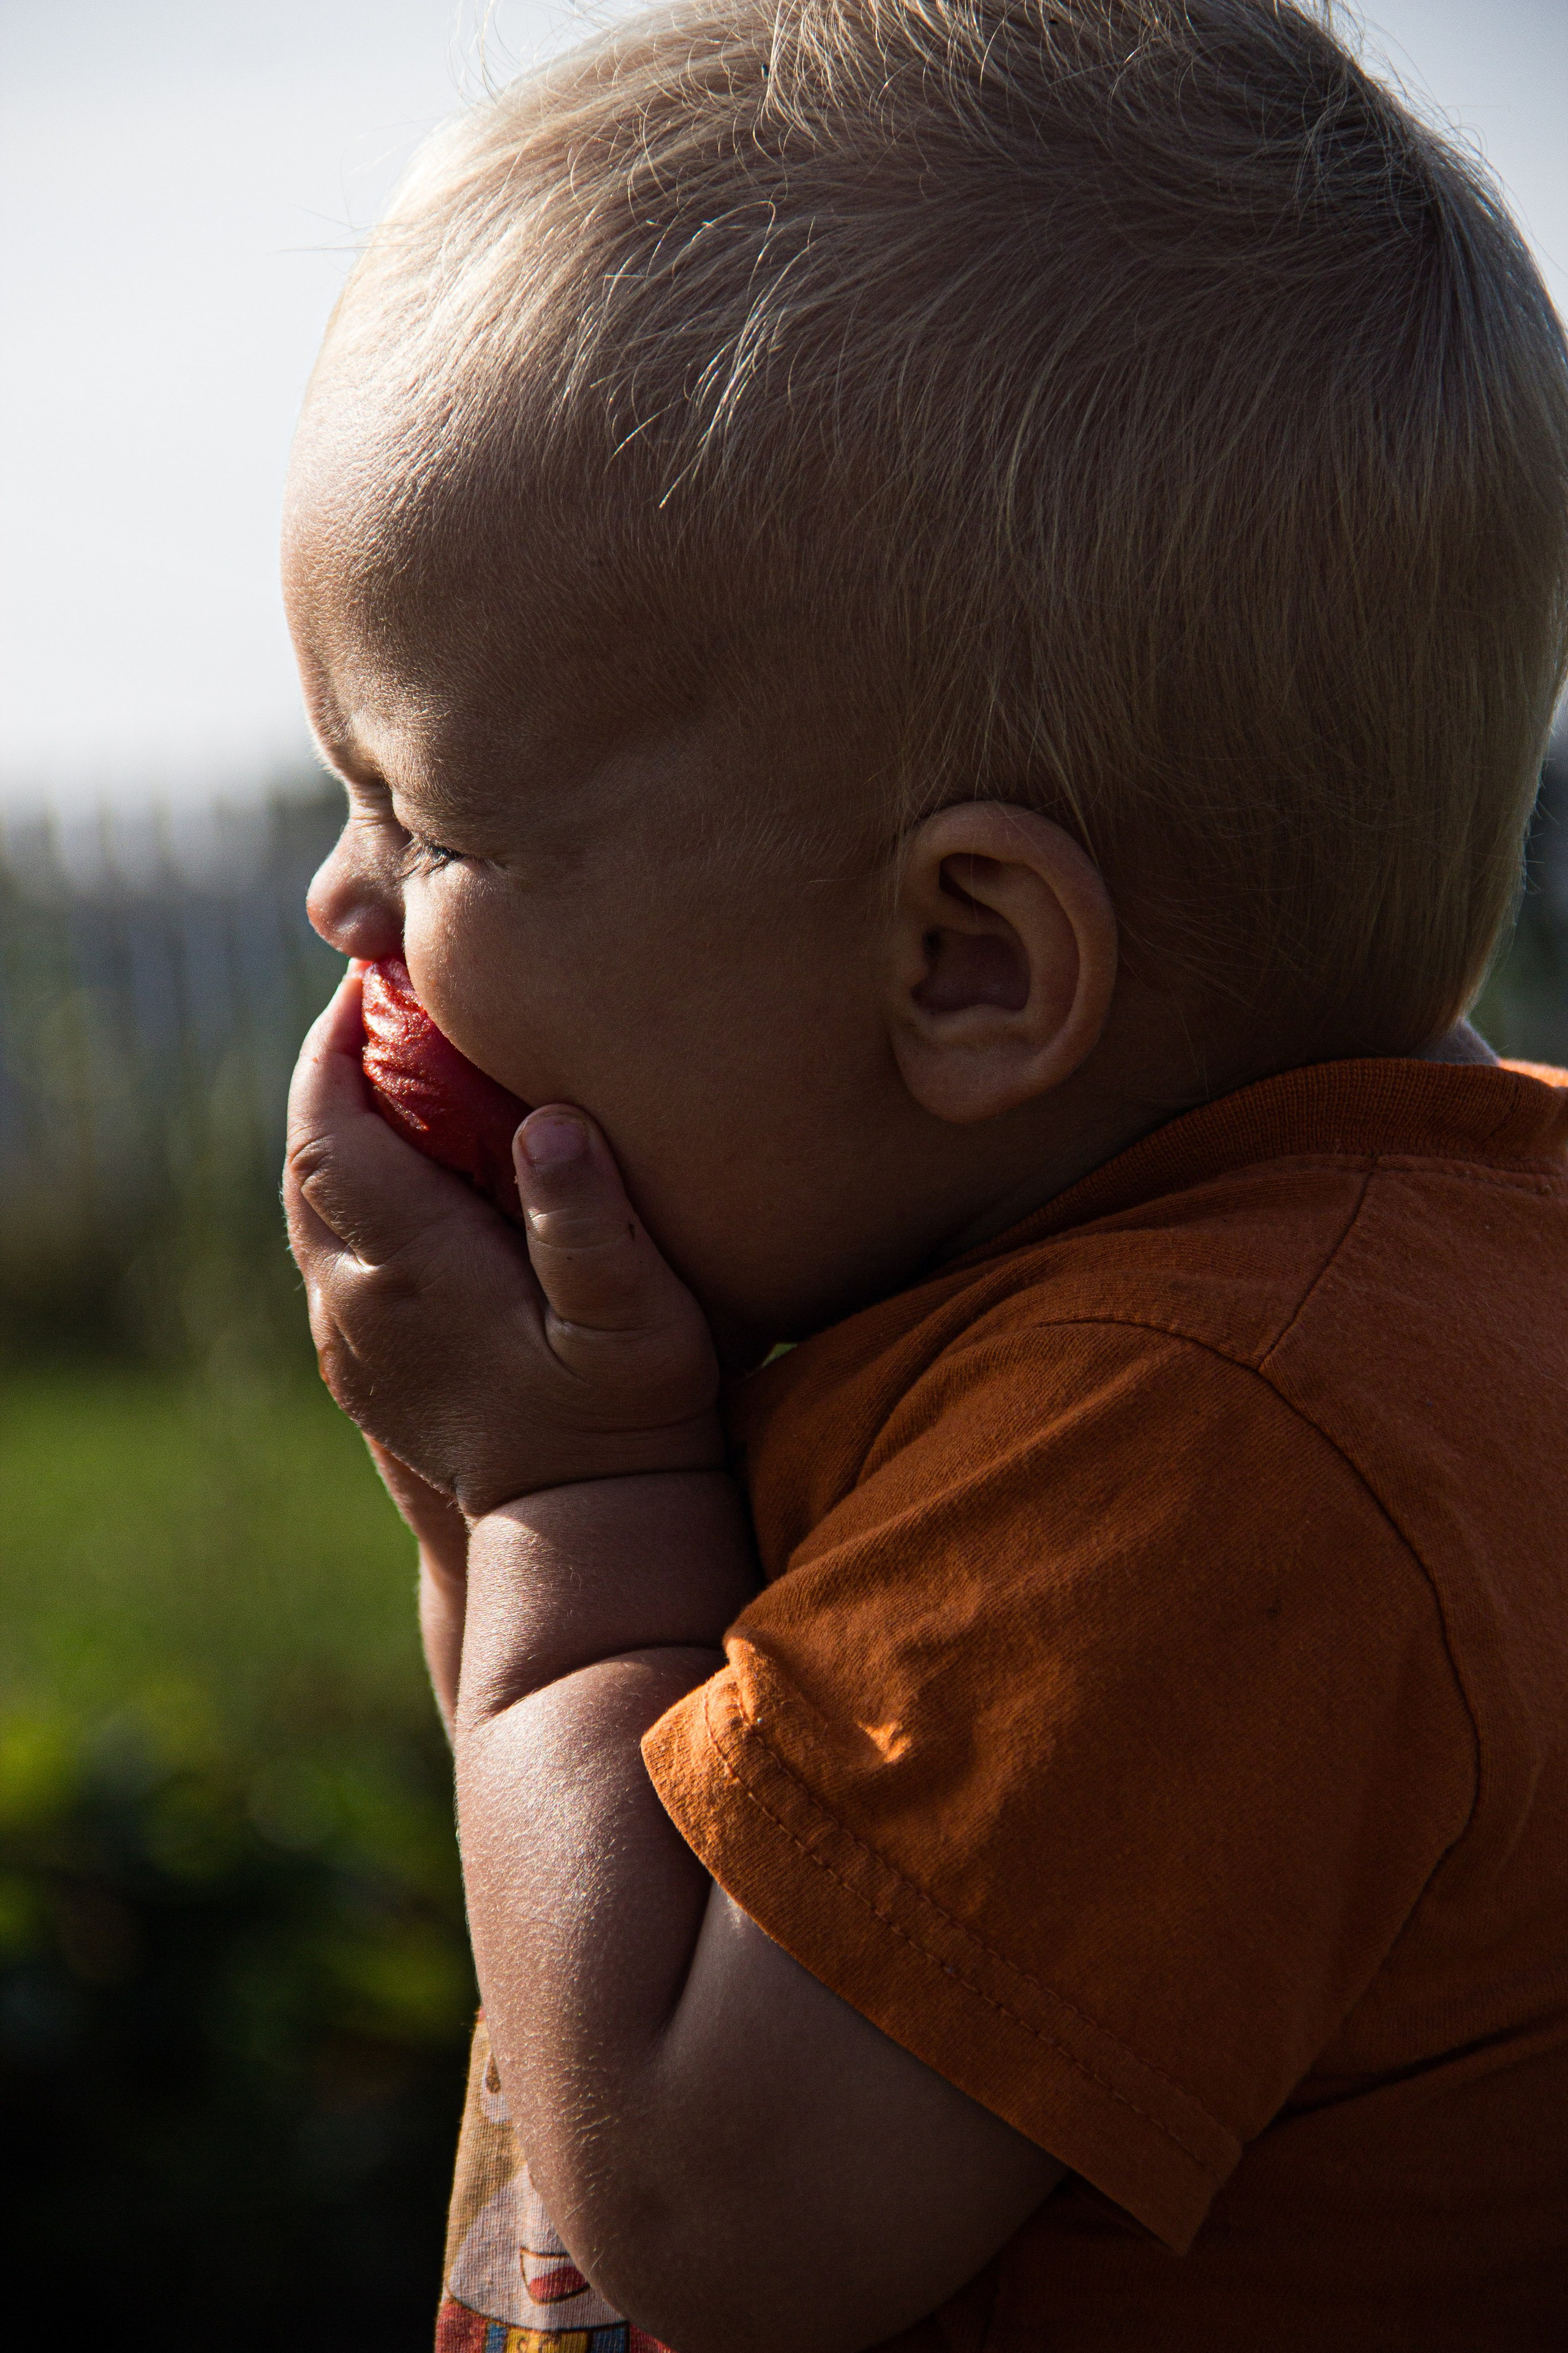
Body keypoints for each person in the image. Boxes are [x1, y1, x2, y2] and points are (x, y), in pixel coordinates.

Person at [279, 1, 1568, 2344]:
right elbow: (614, 1839)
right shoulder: (1300, 1287)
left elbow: (699, 2207)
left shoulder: (1206, 1438)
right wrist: (490, 1484)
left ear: (969, 962)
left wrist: (567, 1500)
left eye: (426, 815)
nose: (341, 908)